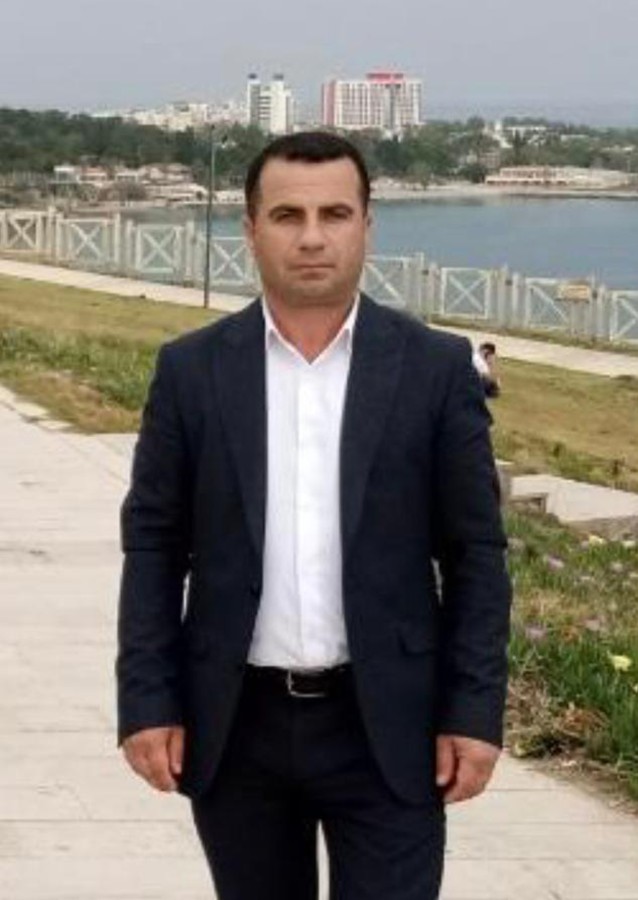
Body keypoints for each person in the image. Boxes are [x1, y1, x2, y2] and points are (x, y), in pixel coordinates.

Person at [117, 131, 512, 900]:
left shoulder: (434, 370)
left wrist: (474, 711)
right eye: (287, 215)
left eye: (334, 214)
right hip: (237, 728)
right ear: (250, 229)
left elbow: (476, 554)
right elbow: (156, 547)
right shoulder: (191, 371)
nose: (311, 237)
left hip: (390, 727)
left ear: (366, 225)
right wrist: (147, 700)